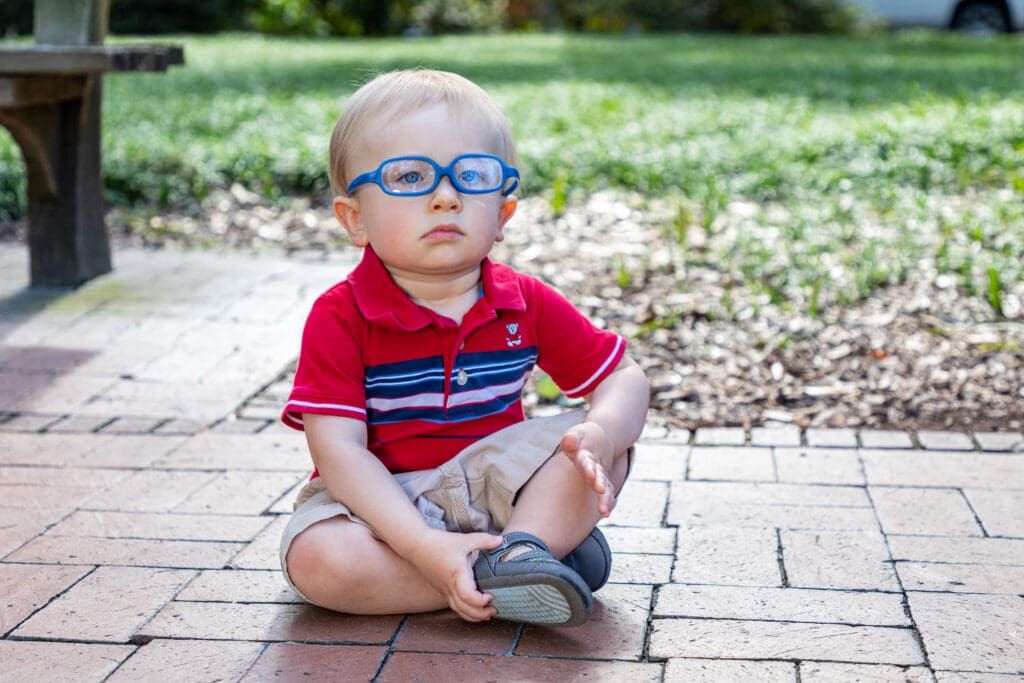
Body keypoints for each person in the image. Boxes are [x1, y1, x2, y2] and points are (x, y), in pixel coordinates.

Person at [278, 68, 649, 627]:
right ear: (355, 219)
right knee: (318, 561)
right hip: (383, 504)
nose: (445, 198)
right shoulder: (341, 316)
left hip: (499, 490)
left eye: (471, 176)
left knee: (597, 447)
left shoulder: (524, 301)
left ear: (501, 214)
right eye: (410, 177)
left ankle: (525, 549)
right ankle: (512, 571)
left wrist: (603, 431)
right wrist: (421, 544)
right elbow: (340, 453)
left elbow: (622, 376)